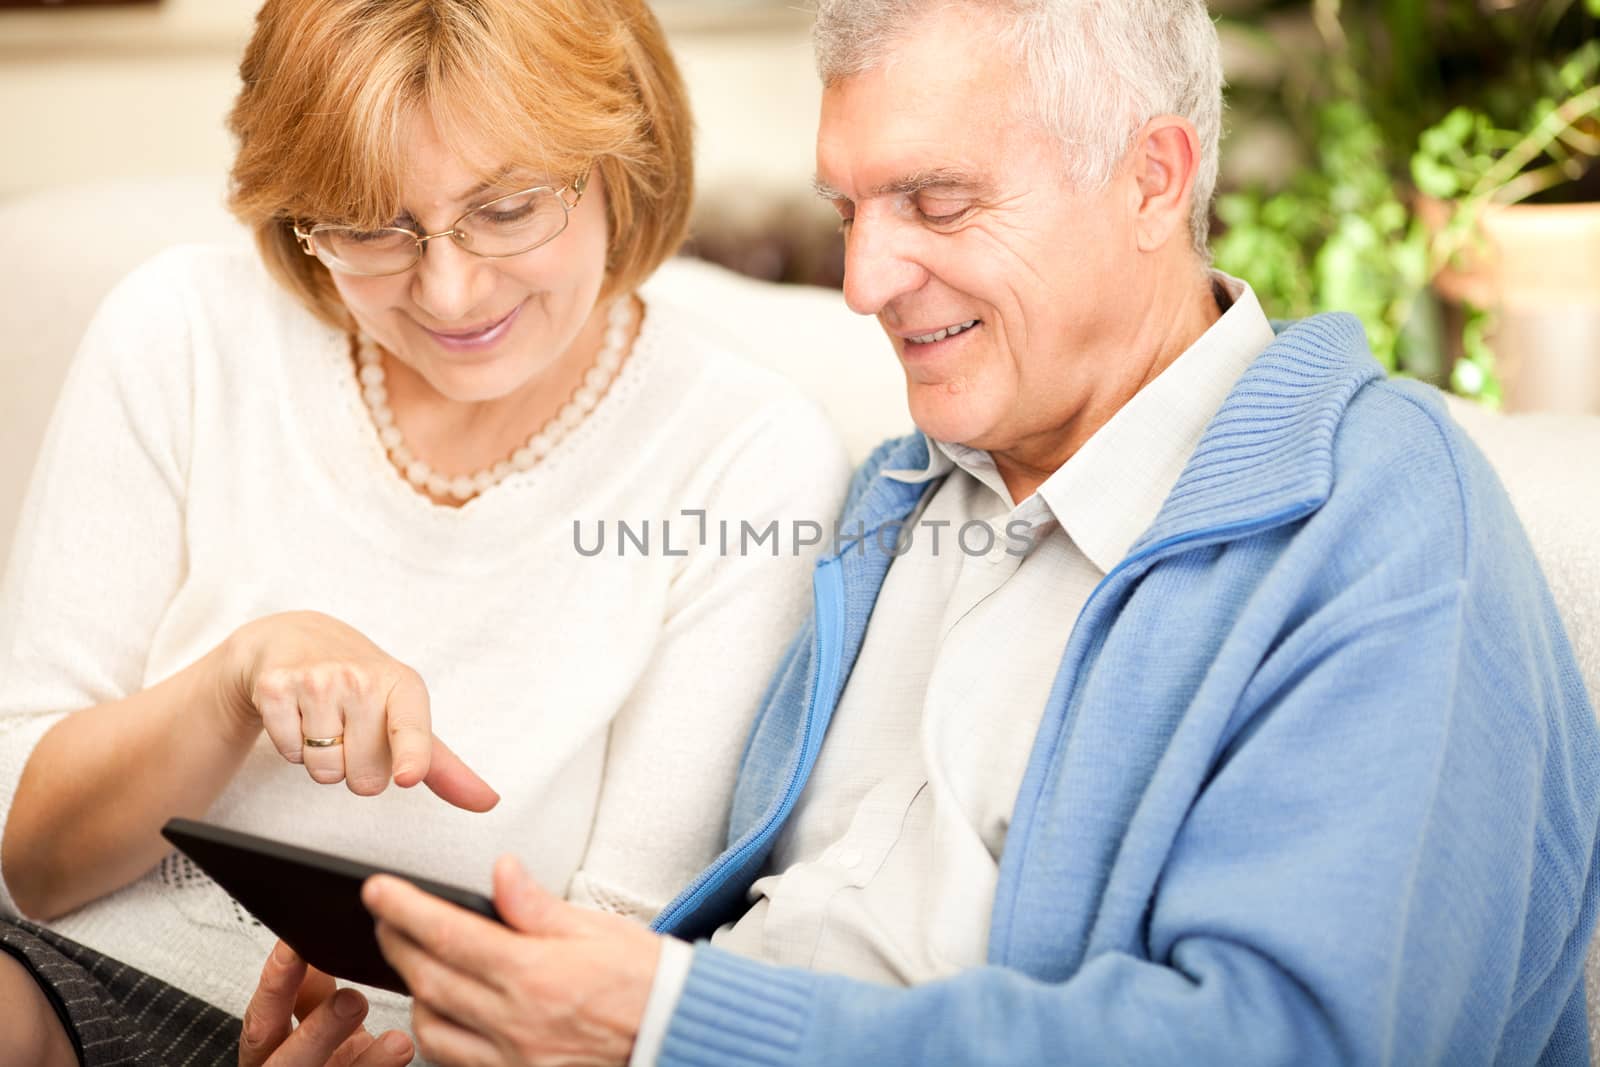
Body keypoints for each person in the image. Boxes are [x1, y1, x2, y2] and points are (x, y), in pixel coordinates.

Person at [248, 0, 1600, 1064]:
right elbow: (733, 927)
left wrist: (666, 1022)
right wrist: (469, 1011)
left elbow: (1286, 1042)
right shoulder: (895, 498)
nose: (862, 280)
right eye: (851, 210)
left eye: (936, 201)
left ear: (1151, 178)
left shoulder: (1374, 516)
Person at [0, 0, 850, 1063]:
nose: (448, 290)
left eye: (507, 210)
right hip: (75, 970)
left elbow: (613, 961)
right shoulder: (179, 333)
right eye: (370, 224)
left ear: (619, 159)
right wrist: (237, 679)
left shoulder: (747, 455)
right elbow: (32, 862)